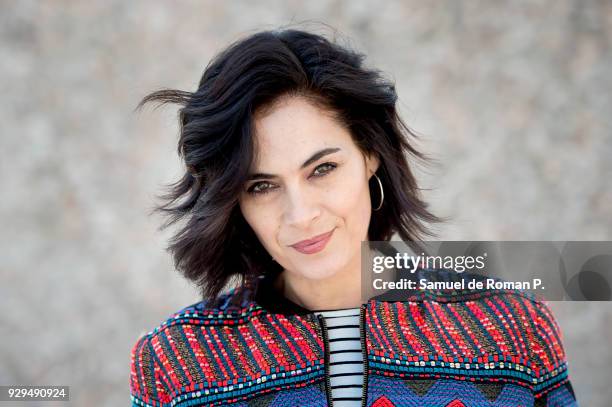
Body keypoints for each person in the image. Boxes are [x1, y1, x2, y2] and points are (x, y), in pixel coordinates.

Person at [129, 28, 578, 407]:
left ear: (370, 156)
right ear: (233, 200)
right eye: (261, 186)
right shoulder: (176, 362)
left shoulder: (511, 325)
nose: (301, 214)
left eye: (322, 169)